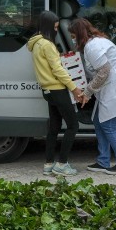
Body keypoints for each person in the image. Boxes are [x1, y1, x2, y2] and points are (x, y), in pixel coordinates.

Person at [68, 18, 116, 175]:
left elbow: (104, 72)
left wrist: (88, 92)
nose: (72, 38)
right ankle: (103, 160)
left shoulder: (92, 47)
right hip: (113, 87)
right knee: (98, 121)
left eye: (73, 35)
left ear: (79, 34)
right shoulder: (96, 42)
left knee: (109, 126)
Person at [28, 11, 84, 177]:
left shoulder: (36, 44)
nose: (56, 30)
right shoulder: (47, 44)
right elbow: (57, 69)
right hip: (58, 89)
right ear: (48, 26)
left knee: (54, 128)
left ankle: (48, 164)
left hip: (47, 91)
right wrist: (74, 88)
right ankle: (62, 164)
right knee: (73, 125)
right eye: (55, 27)